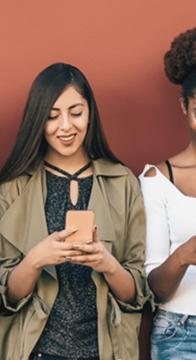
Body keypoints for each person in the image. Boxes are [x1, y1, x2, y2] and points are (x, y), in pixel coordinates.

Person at [0, 63, 149, 360]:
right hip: (38, 351)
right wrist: (37, 259)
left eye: (76, 113)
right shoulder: (12, 190)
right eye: (52, 116)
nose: (65, 126)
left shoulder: (122, 183)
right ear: (37, 120)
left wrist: (107, 263)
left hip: (105, 351)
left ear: (90, 113)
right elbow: (7, 296)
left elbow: (135, 294)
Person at [139, 27, 196, 359]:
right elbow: (155, 288)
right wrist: (185, 255)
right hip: (180, 332)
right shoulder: (157, 179)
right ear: (184, 106)